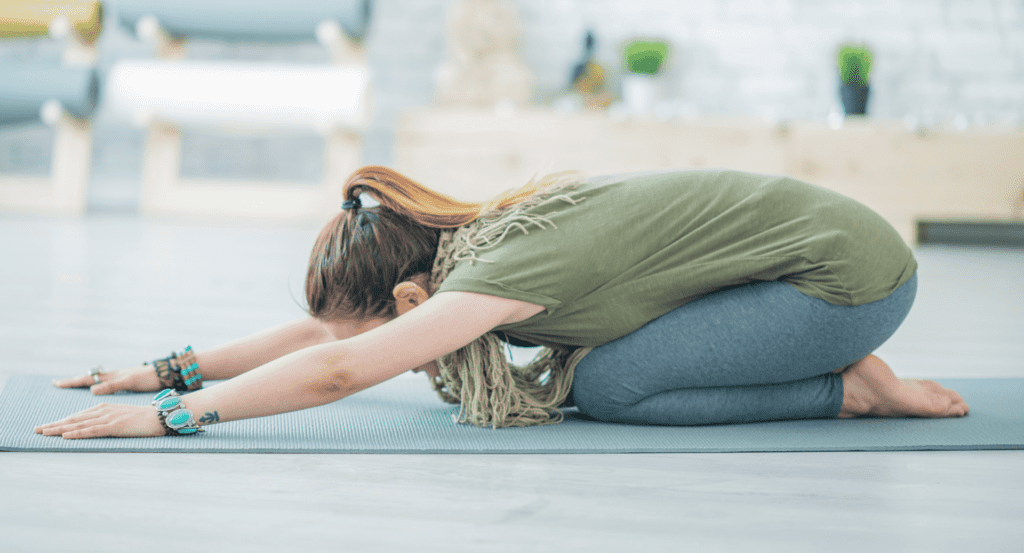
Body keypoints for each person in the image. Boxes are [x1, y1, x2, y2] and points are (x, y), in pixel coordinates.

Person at [35, 166, 968, 439]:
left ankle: (849, 390)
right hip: (803, 265)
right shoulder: (457, 248)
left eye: (383, 317)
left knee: (611, 387)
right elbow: (330, 335)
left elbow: (340, 368)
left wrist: (170, 417)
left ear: (408, 294)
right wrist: (163, 368)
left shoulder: (496, 273)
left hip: (845, 285)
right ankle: (830, 365)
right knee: (607, 377)